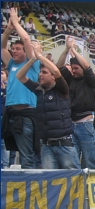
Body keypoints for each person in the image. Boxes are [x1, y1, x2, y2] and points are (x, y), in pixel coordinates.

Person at [16, 43, 80, 169]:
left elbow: (56, 70)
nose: (40, 74)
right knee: (49, 181)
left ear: (53, 77)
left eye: (44, 72)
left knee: (73, 179)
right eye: (40, 72)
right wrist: (33, 59)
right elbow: (20, 76)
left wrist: (40, 55)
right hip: (46, 146)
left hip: (64, 144)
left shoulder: (62, 89)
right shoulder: (38, 89)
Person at [1, 8, 41, 169]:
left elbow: (25, 38)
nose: (14, 51)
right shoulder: (11, 64)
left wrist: (16, 23)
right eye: (13, 49)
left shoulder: (32, 63)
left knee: (27, 155)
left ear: (26, 51)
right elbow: (2, 47)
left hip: (26, 115)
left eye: (18, 49)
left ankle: (29, 189)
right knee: (15, 154)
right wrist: (9, 29)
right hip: (11, 114)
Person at [57, 35, 95, 169]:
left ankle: (91, 188)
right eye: (72, 68)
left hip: (85, 124)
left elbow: (87, 66)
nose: (73, 71)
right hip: (71, 124)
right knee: (72, 161)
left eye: (76, 68)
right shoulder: (70, 79)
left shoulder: (90, 81)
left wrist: (74, 51)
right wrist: (66, 50)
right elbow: (59, 66)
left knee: (90, 160)